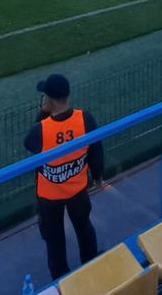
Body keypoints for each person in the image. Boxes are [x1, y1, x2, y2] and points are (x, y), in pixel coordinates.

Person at [23, 73, 103, 281]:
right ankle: (92, 265)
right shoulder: (85, 118)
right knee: (84, 227)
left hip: (49, 196)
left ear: (48, 100)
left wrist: (42, 113)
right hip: (77, 189)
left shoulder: (41, 129)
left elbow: (29, 142)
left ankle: (61, 281)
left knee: (54, 240)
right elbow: (96, 150)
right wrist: (98, 177)